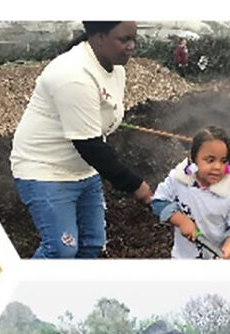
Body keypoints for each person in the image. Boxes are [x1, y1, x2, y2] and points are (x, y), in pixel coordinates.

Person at [10, 21, 153, 259]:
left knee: (91, 244)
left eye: (134, 39)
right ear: (98, 37)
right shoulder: (73, 75)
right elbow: (89, 145)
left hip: (84, 170)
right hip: (46, 170)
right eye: (124, 39)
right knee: (61, 250)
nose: (131, 46)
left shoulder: (116, 70)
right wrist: (136, 186)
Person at [151, 126, 230, 259]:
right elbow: (158, 201)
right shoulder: (179, 178)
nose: (217, 167)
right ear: (193, 159)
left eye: (223, 161)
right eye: (210, 160)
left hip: (225, 263)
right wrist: (181, 220)